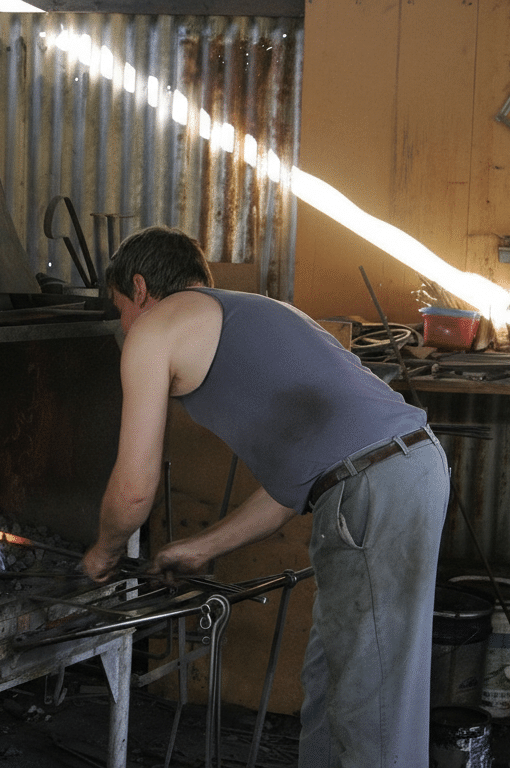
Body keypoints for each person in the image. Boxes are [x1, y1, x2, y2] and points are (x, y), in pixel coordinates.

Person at [81, 225, 450, 767]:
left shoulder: (156, 329)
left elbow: (134, 492)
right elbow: (293, 484)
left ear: (139, 289)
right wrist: (204, 547)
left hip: (374, 487)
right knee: (332, 687)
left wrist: (103, 552)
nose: (124, 324)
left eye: (120, 308)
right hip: (397, 472)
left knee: (373, 709)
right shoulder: (255, 314)